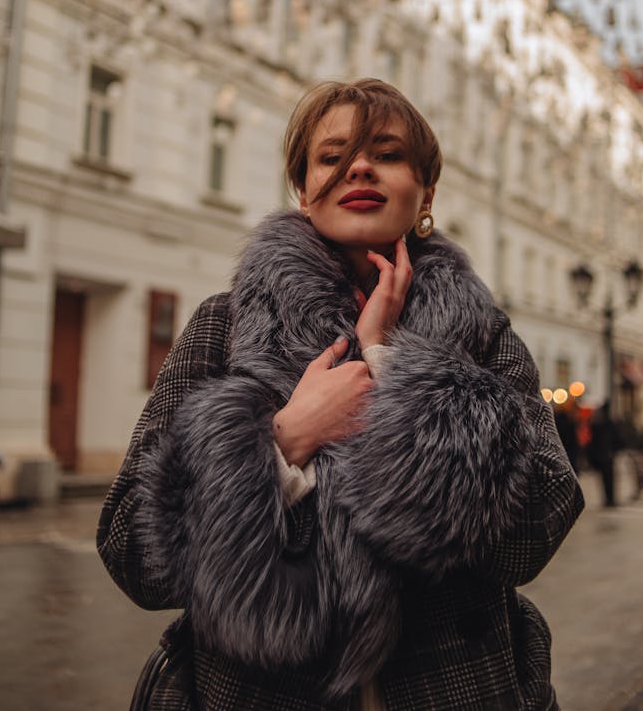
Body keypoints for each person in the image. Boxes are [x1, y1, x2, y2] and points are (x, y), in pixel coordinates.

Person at [97, 78, 584, 710]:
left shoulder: (484, 338)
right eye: (332, 157)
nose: (359, 166)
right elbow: (132, 553)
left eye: (386, 153)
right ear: (304, 191)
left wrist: (391, 365)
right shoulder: (224, 326)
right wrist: (286, 442)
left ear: (426, 192)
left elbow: (535, 533)